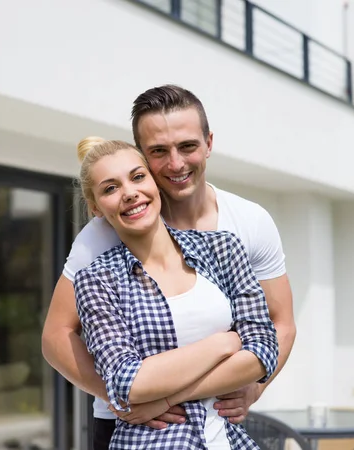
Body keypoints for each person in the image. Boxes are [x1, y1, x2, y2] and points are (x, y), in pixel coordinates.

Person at [42, 85, 296, 450]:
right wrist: (124, 398)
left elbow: (279, 323)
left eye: (188, 146)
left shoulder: (246, 224)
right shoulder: (100, 237)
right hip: (129, 428)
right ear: (143, 155)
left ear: (209, 143)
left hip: (218, 420)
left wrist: (255, 387)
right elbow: (56, 337)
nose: (176, 164)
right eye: (159, 152)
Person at [73, 136, 279, 450]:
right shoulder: (96, 280)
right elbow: (127, 383)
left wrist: (168, 396)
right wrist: (225, 342)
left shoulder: (222, 248)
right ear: (95, 208)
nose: (129, 193)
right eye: (110, 188)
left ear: (155, 183)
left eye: (137, 177)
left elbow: (264, 348)